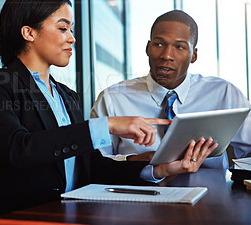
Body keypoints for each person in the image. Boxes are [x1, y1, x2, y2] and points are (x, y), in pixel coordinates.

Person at [0, 0, 217, 219]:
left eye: (72, 29)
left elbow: (92, 168)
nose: (72, 39)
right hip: (16, 215)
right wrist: (106, 125)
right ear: (29, 33)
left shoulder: (66, 95)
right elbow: (19, 149)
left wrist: (160, 170)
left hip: (68, 212)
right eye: (63, 28)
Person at [91, 10, 251, 168]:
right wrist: (134, 161)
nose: (167, 55)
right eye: (159, 44)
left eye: (180, 47)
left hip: (212, 192)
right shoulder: (112, 98)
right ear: (148, 48)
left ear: (193, 55)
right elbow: (93, 163)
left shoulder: (224, 93)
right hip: (139, 189)